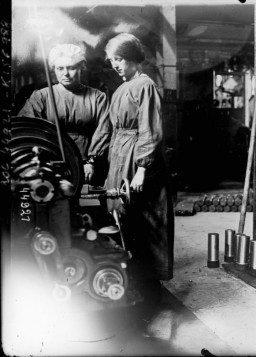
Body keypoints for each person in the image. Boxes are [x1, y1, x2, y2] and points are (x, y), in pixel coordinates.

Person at [91, 33, 174, 297]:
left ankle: (149, 283)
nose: (115, 64)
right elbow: (111, 130)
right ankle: (131, 276)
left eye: (120, 59)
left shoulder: (144, 86)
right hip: (120, 155)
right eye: (112, 59)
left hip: (138, 158)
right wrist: (96, 161)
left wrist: (141, 169)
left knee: (143, 220)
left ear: (134, 59)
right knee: (122, 216)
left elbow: (150, 130)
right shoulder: (120, 89)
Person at [18, 44, 111, 184]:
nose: (65, 73)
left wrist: (91, 162)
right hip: (49, 162)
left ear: (81, 68)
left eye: (71, 68)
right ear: (54, 69)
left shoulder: (97, 97)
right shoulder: (41, 96)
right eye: (60, 68)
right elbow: (27, 127)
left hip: (86, 164)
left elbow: (104, 132)